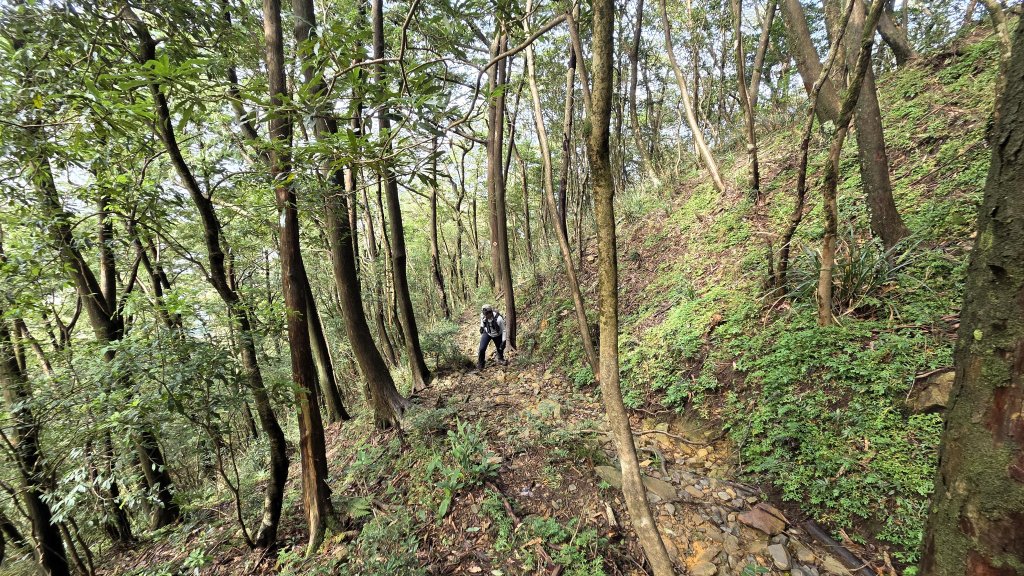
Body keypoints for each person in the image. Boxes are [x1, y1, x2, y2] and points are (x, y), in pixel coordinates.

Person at [477, 304, 507, 370]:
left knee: (500, 348)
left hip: (497, 335)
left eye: (486, 314)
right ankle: (481, 363)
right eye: (484, 314)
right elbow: (482, 321)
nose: (485, 316)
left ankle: (500, 358)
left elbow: (504, 330)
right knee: (482, 348)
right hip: (487, 332)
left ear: (490, 313)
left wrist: (503, 341)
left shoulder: (499, 319)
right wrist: (481, 326)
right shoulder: (483, 315)